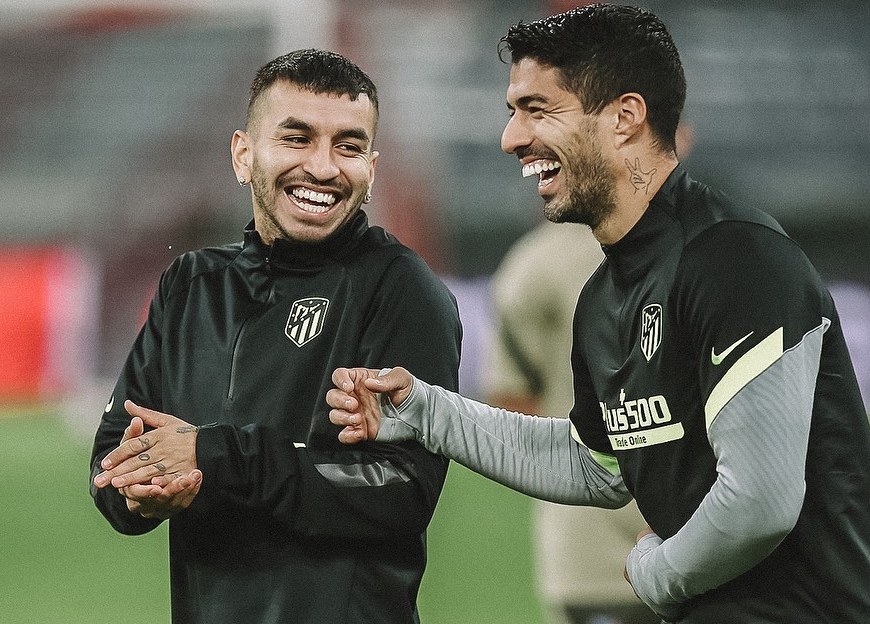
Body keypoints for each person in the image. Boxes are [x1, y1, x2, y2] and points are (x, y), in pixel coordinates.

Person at [326, 5, 870, 623]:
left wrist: (657, 572)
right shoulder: (605, 297)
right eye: (512, 112)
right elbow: (594, 461)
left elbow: (760, 502)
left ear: (625, 117)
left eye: (538, 109)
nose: (511, 138)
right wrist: (427, 413)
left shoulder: (735, 258)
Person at [89, 49, 462, 624]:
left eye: (348, 146)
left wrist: (217, 456)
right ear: (243, 154)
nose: (324, 167)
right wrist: (138, 493)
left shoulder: (401, 290)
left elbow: (402, 489)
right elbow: (114, 457)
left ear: (371, 168)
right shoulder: (191, 286)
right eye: (297, 139)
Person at [484, 220, 656, 624]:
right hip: (693, 536)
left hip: (586, 544)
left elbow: (510, 401)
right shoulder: (697, 246)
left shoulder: (533, 263)